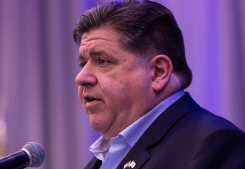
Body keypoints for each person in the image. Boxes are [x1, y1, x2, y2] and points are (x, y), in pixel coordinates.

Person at [73, 0, 245, 169]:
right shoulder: (96, 164)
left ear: (158, 72)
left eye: (103, 61)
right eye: (82, 64)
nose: (81, 77)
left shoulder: (214, 145)